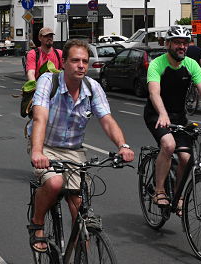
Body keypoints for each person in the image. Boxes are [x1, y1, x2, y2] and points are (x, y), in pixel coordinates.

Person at [28, 39, 134, 252]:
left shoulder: (92, 87)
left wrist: (123, 145)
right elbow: (40, 117)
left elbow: (107, 119)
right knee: (55, 183)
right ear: (64, 63)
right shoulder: (49, 81)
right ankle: (37, 223)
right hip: (46, 146)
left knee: (80, 211)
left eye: (85, 61)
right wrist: (37, 151)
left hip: (74, 150)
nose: (81, 65)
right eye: (75, 60)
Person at [144, 25, 201, 213]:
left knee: (186, 157)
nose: (181, 46)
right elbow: (154, 92)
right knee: (168, 145)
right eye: (177, 43)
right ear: (168, 44)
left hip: (178, 116)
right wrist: (162, 113)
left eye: (185, 43)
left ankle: (177, 196)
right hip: (156, 114)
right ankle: (159, 190)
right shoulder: (157, 64)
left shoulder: (191, 64)